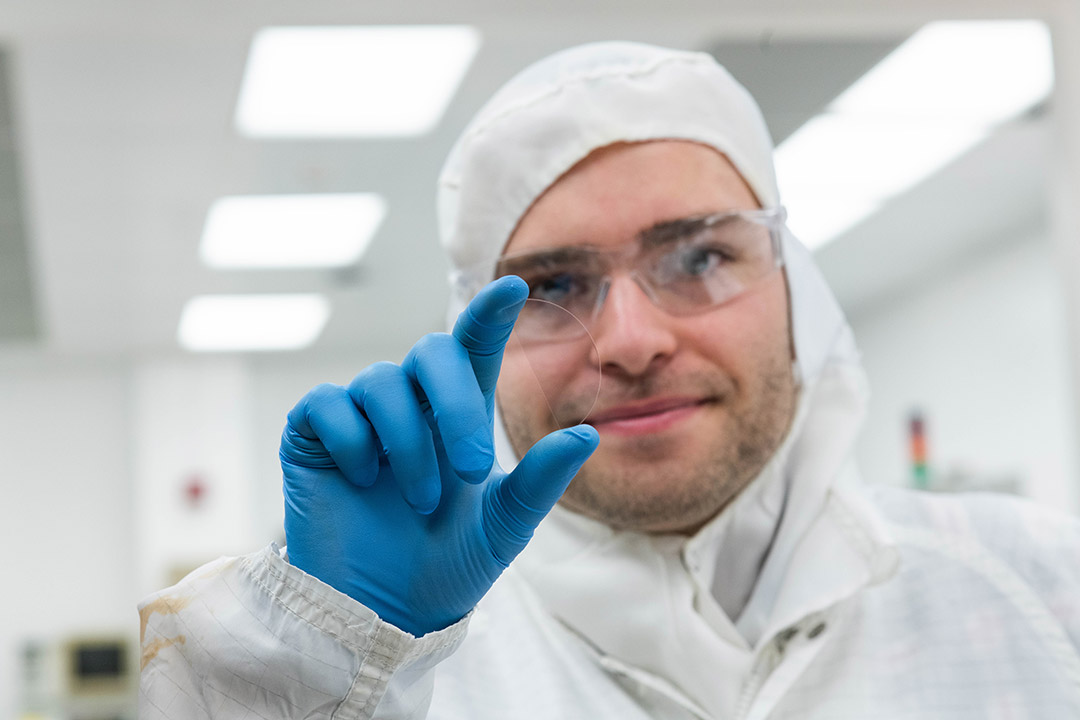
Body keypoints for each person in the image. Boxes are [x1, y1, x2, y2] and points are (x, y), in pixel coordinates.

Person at [138, 42, 1080, 719]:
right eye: (553, 285)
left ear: (796, 283)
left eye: (702, 257)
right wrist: (316, 673)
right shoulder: (394, 676)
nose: (630, 342)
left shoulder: (1042, 588)